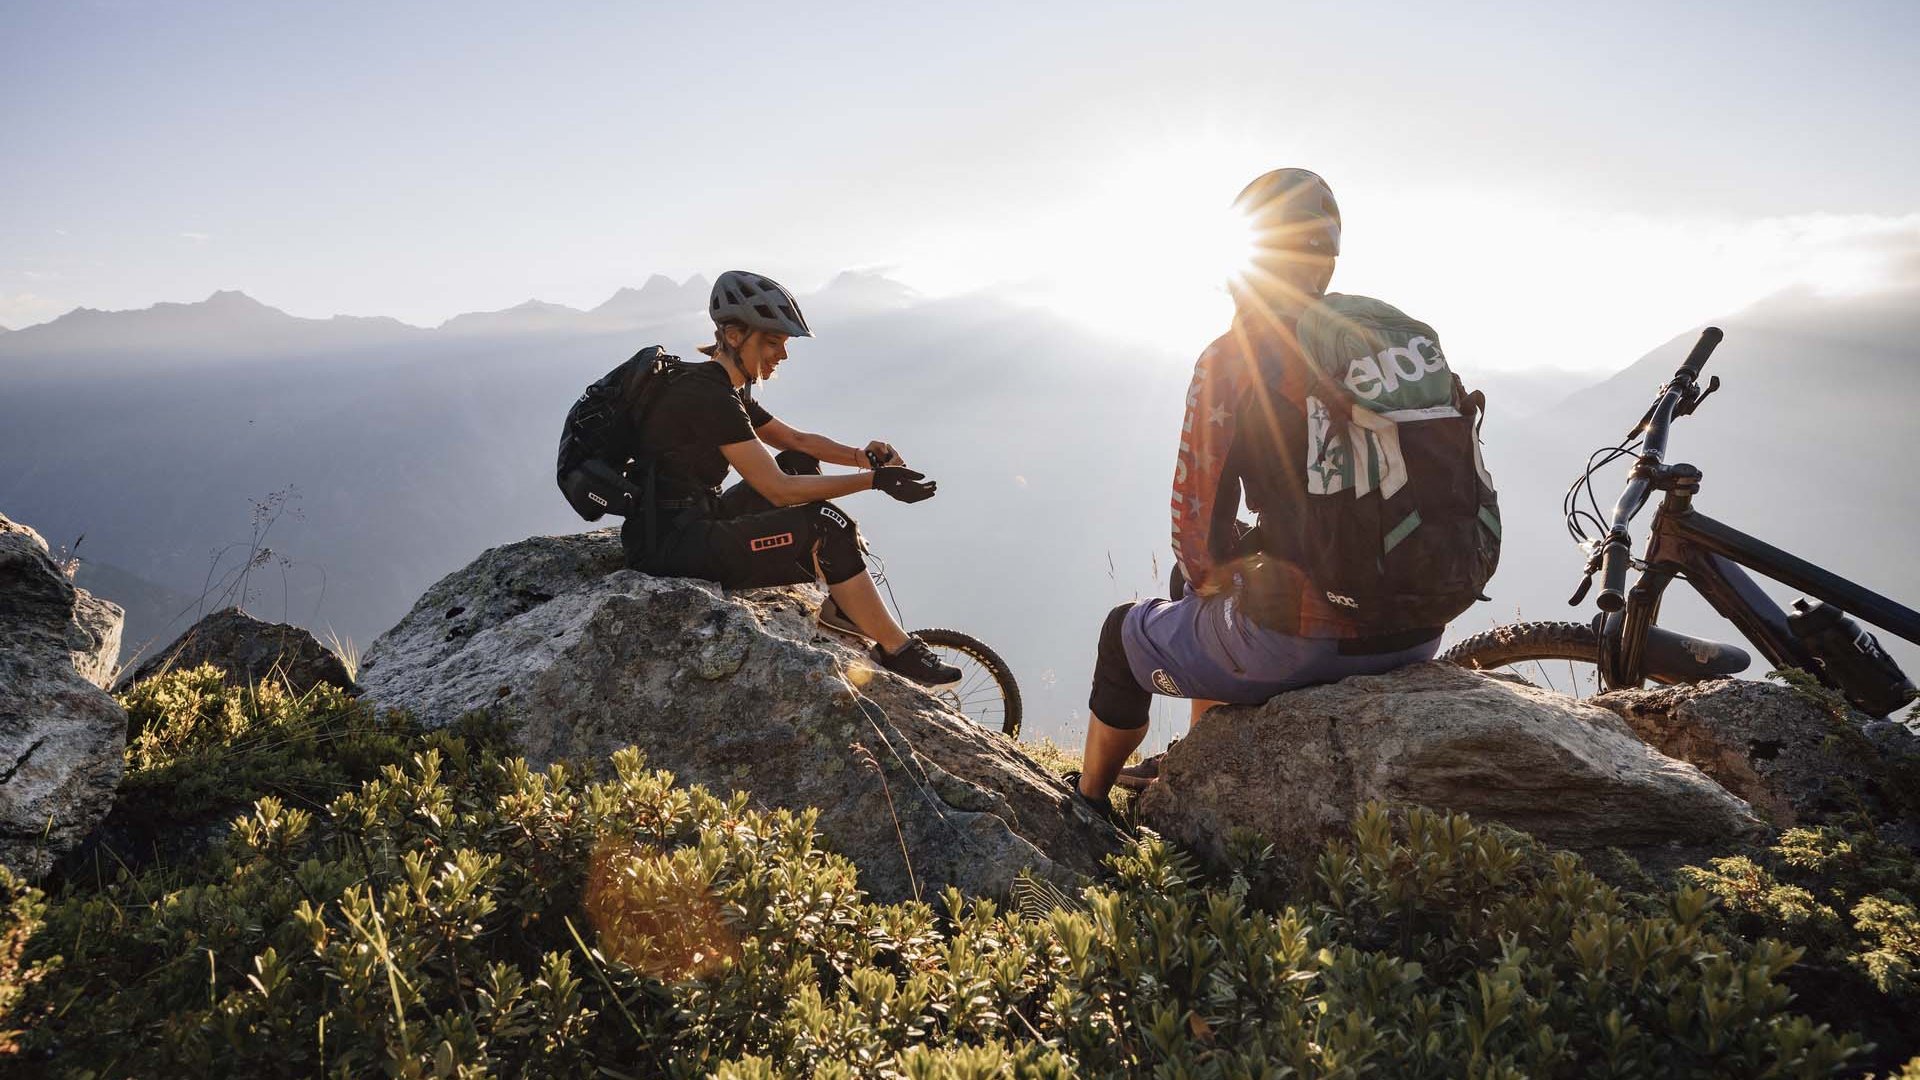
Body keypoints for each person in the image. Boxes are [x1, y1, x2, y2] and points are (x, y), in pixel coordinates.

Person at [1069, 169, 1449, 812]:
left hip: (1307, 639)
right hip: (1418, 625)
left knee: (1123, 633)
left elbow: (1197, 533)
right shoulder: (1389, 343)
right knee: (1195, 585)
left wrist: (1215, 576)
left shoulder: (1233, 358)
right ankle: (1198, 759)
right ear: (1327, 258)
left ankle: (1086, 807)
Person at [621, 270, 961, 687]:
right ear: (732, 334)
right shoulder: (706, 396)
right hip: (672, 547)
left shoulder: (724, 387)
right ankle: (898, 651)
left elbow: (795, 440)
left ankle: (840, 604)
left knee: (797, 460)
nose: (782, 355)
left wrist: (864, 459)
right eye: (772, 341)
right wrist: (875, 483)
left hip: (694, 518)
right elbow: (776, 490)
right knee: (828, 525)